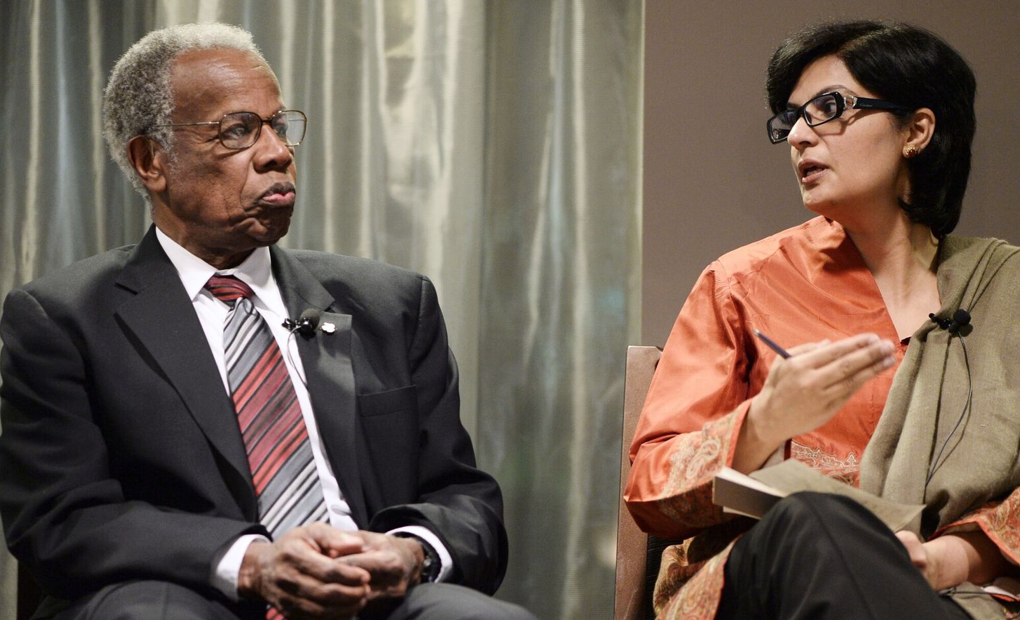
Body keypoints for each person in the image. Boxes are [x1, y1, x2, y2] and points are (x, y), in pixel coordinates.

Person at [0, 23, 536, 620]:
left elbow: (462, 496)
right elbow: (61, 518)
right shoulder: (65, 319)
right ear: (151, 161)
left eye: (278, 125)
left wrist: (411, 552)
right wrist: (251, 562)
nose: (278, 152)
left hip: (371, 599)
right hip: (189, 595)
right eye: (237, 131)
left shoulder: (391, 304)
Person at [625, 20, 1020, 620]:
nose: (800, 136)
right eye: (792, 119)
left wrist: (950, 558)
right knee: (818, 523)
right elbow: (650, 491)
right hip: (769, 585)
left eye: (829, 109)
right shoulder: (742, 284)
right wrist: (761, 424)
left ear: (917, 129)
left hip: (954, 597)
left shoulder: (1005, 289)